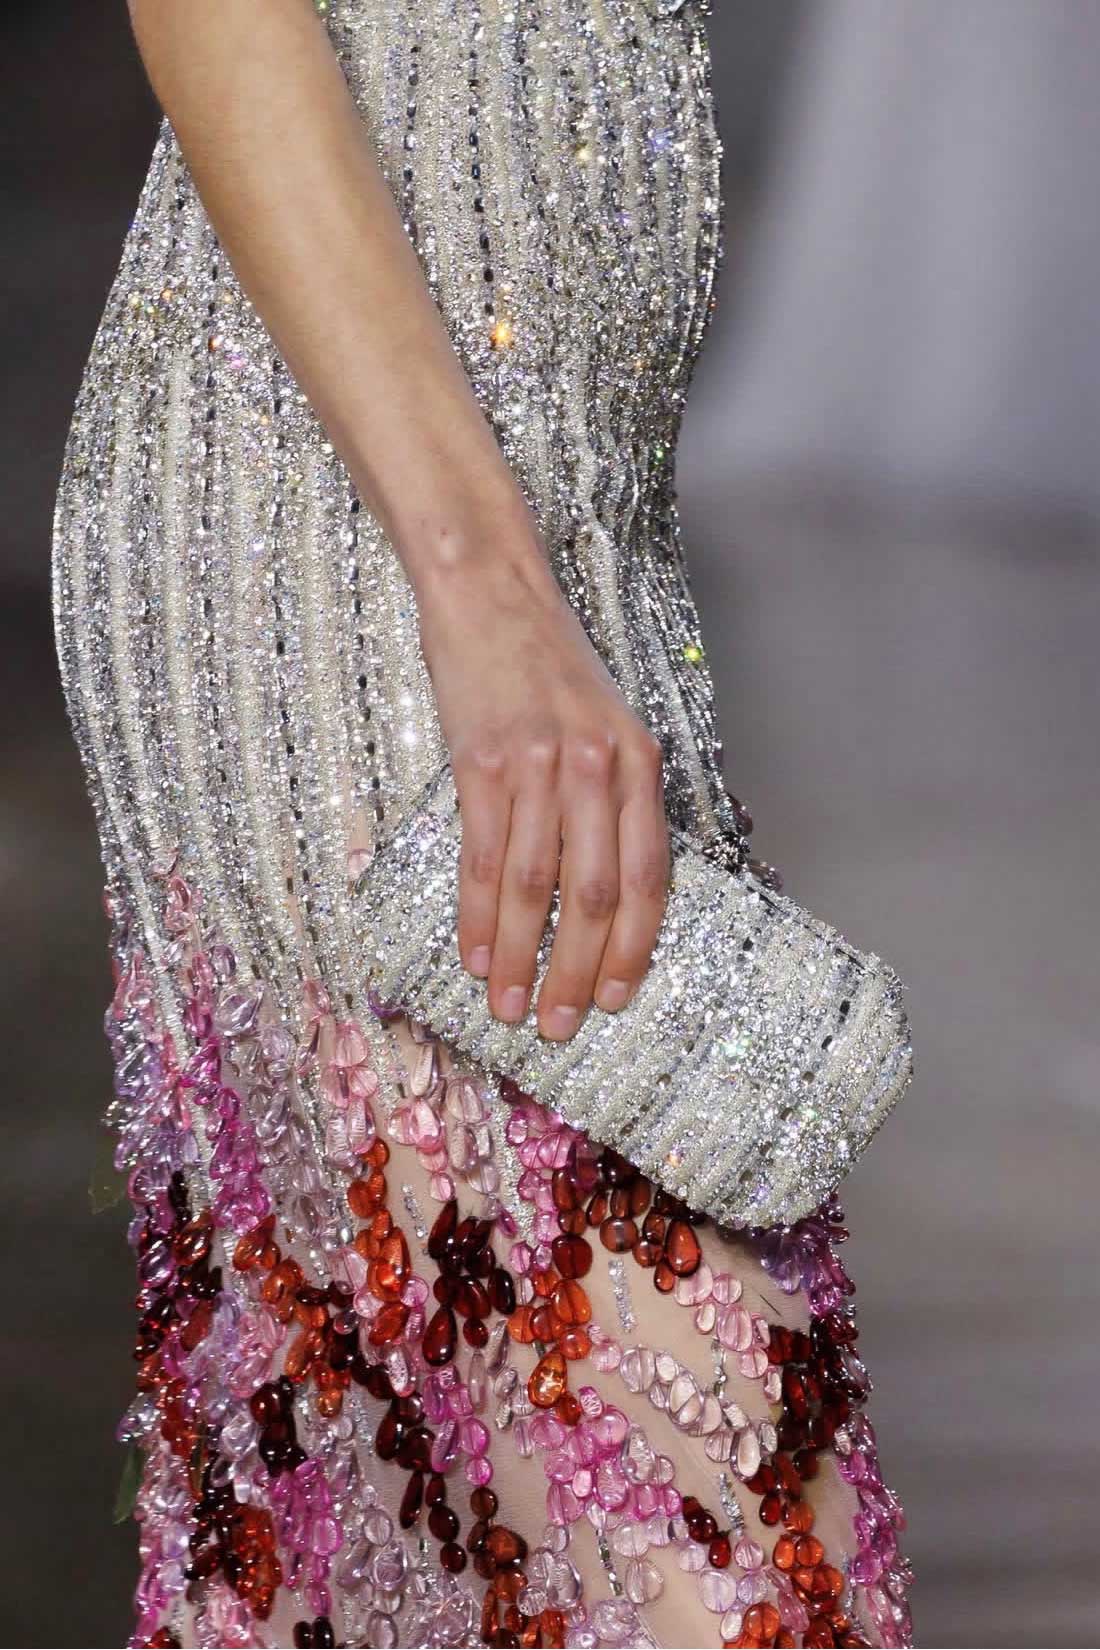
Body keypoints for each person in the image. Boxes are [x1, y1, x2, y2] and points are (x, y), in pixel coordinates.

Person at [51, 2, 912, 1645]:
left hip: (551, 548)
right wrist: (479, 581)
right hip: (357, 557)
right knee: (737, 1543)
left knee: (415, 1571)